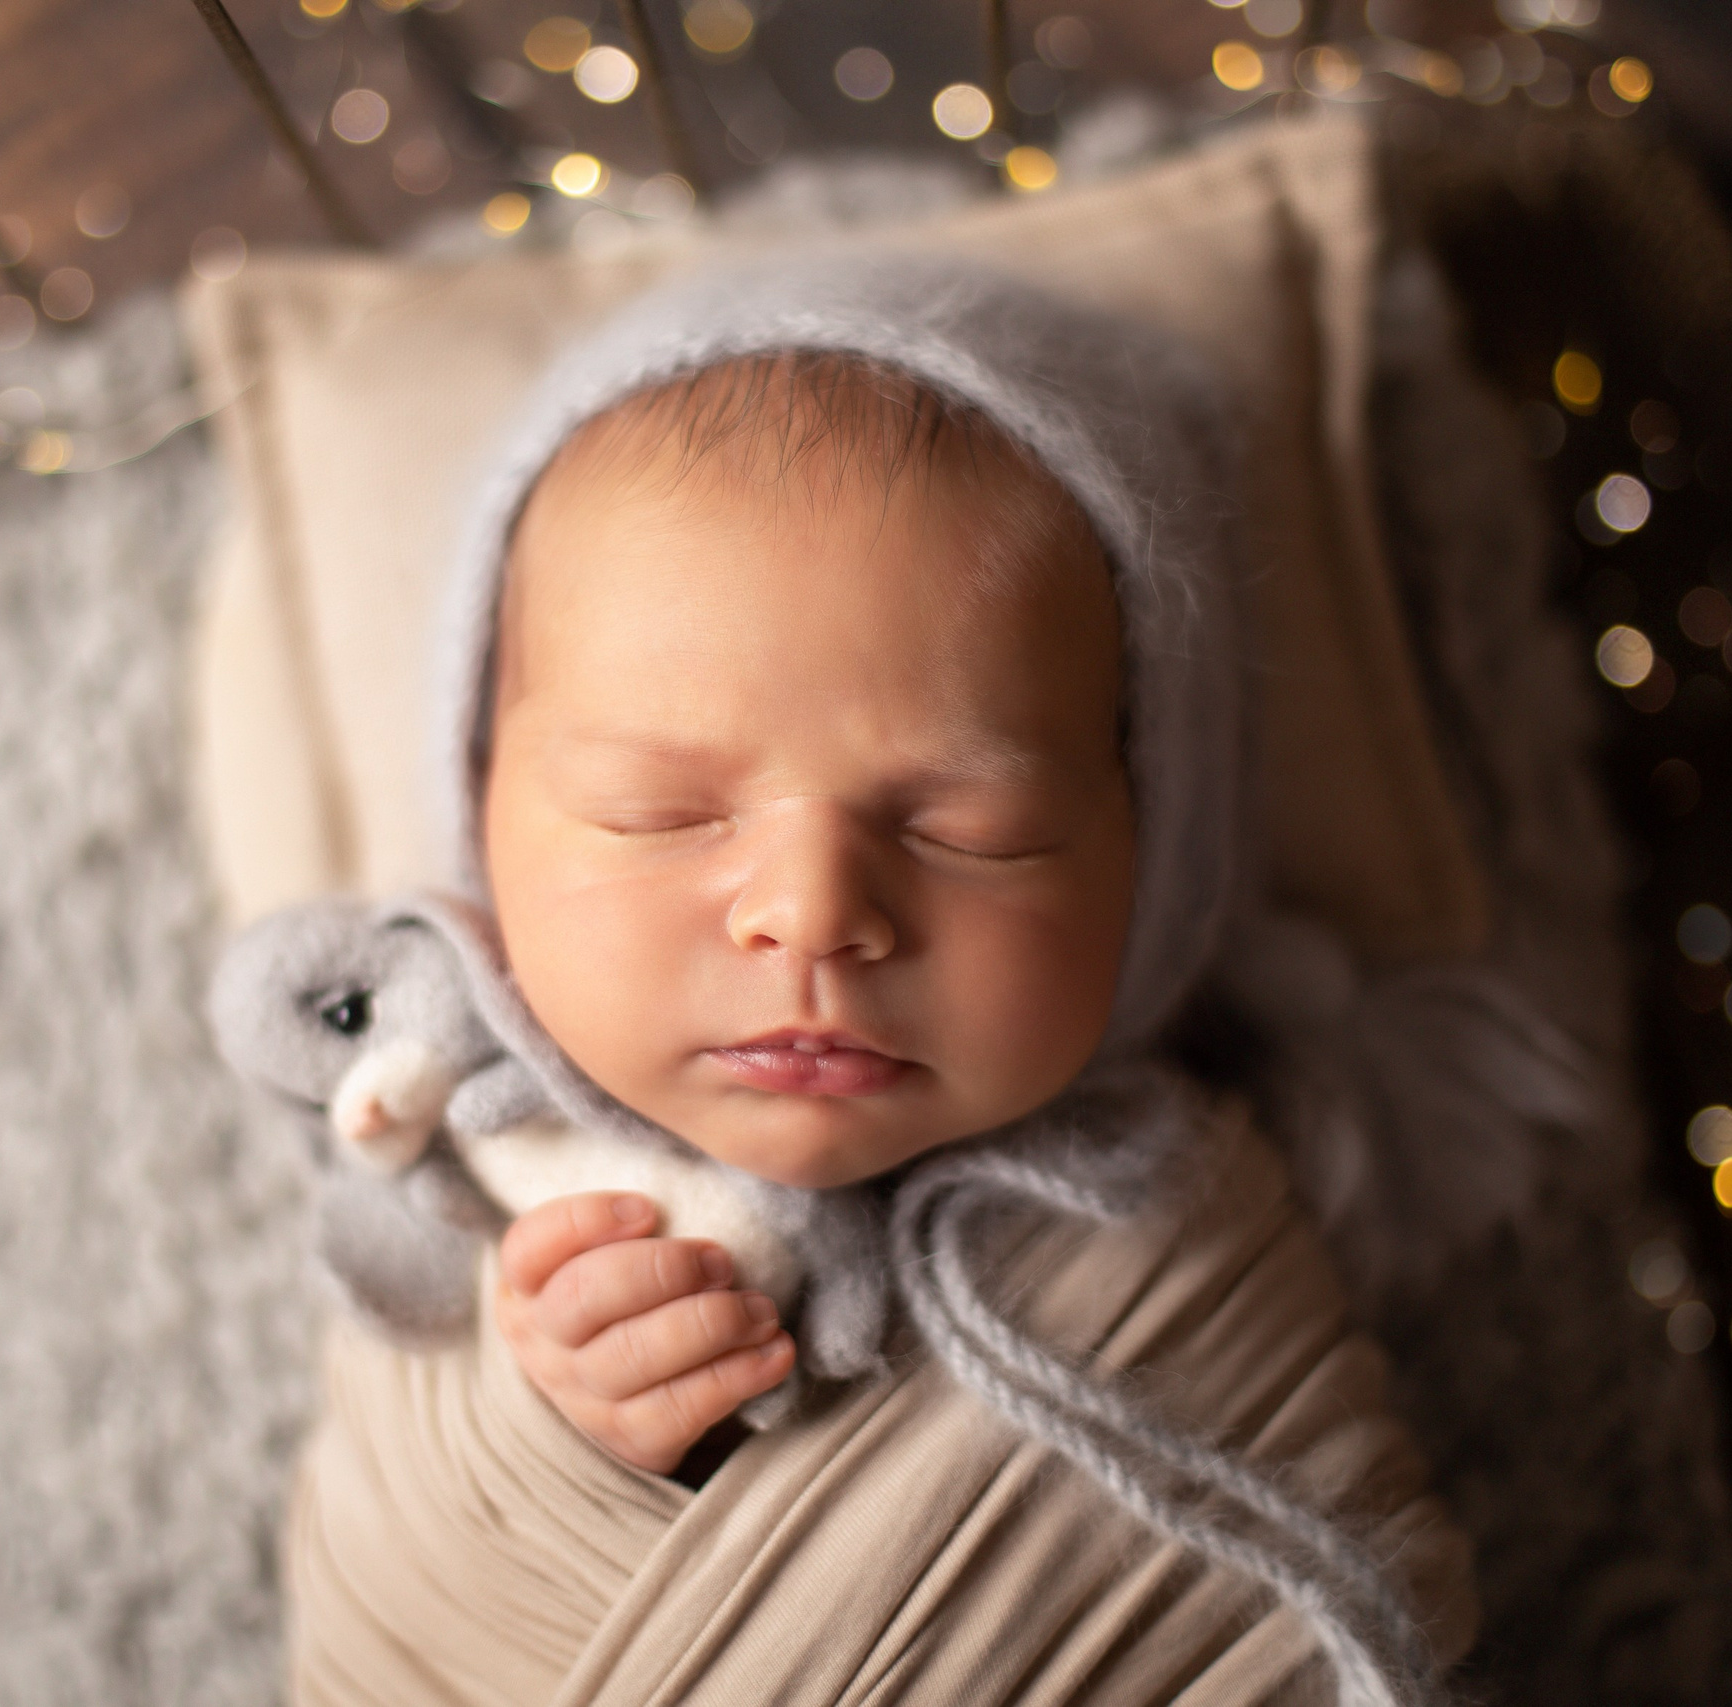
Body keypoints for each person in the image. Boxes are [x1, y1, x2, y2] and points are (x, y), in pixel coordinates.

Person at [283, 254, 1478, 1706]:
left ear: (1159, 860)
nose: (813, 915)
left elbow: (1356, 1622)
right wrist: (547, 1439)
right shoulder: (460, 1188)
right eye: (660, 816)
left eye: (968, 830)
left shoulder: (1191, 1247)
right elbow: (392, 1603)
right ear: (479, 824)